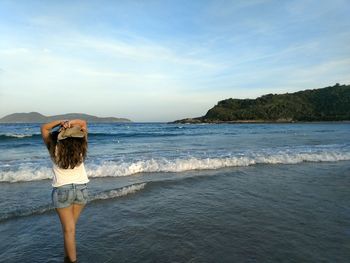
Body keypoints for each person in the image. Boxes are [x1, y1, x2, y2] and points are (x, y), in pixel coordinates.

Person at [41, 119, 89, 263]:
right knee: (70, 230)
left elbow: (44, 128)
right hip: (82, 190)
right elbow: (83, 123)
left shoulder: (53, 146)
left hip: (62, 191)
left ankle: (72, 260)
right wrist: (70, 122)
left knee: (69, 230)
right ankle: (67, 257)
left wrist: (61, 122)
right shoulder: (82, 146)